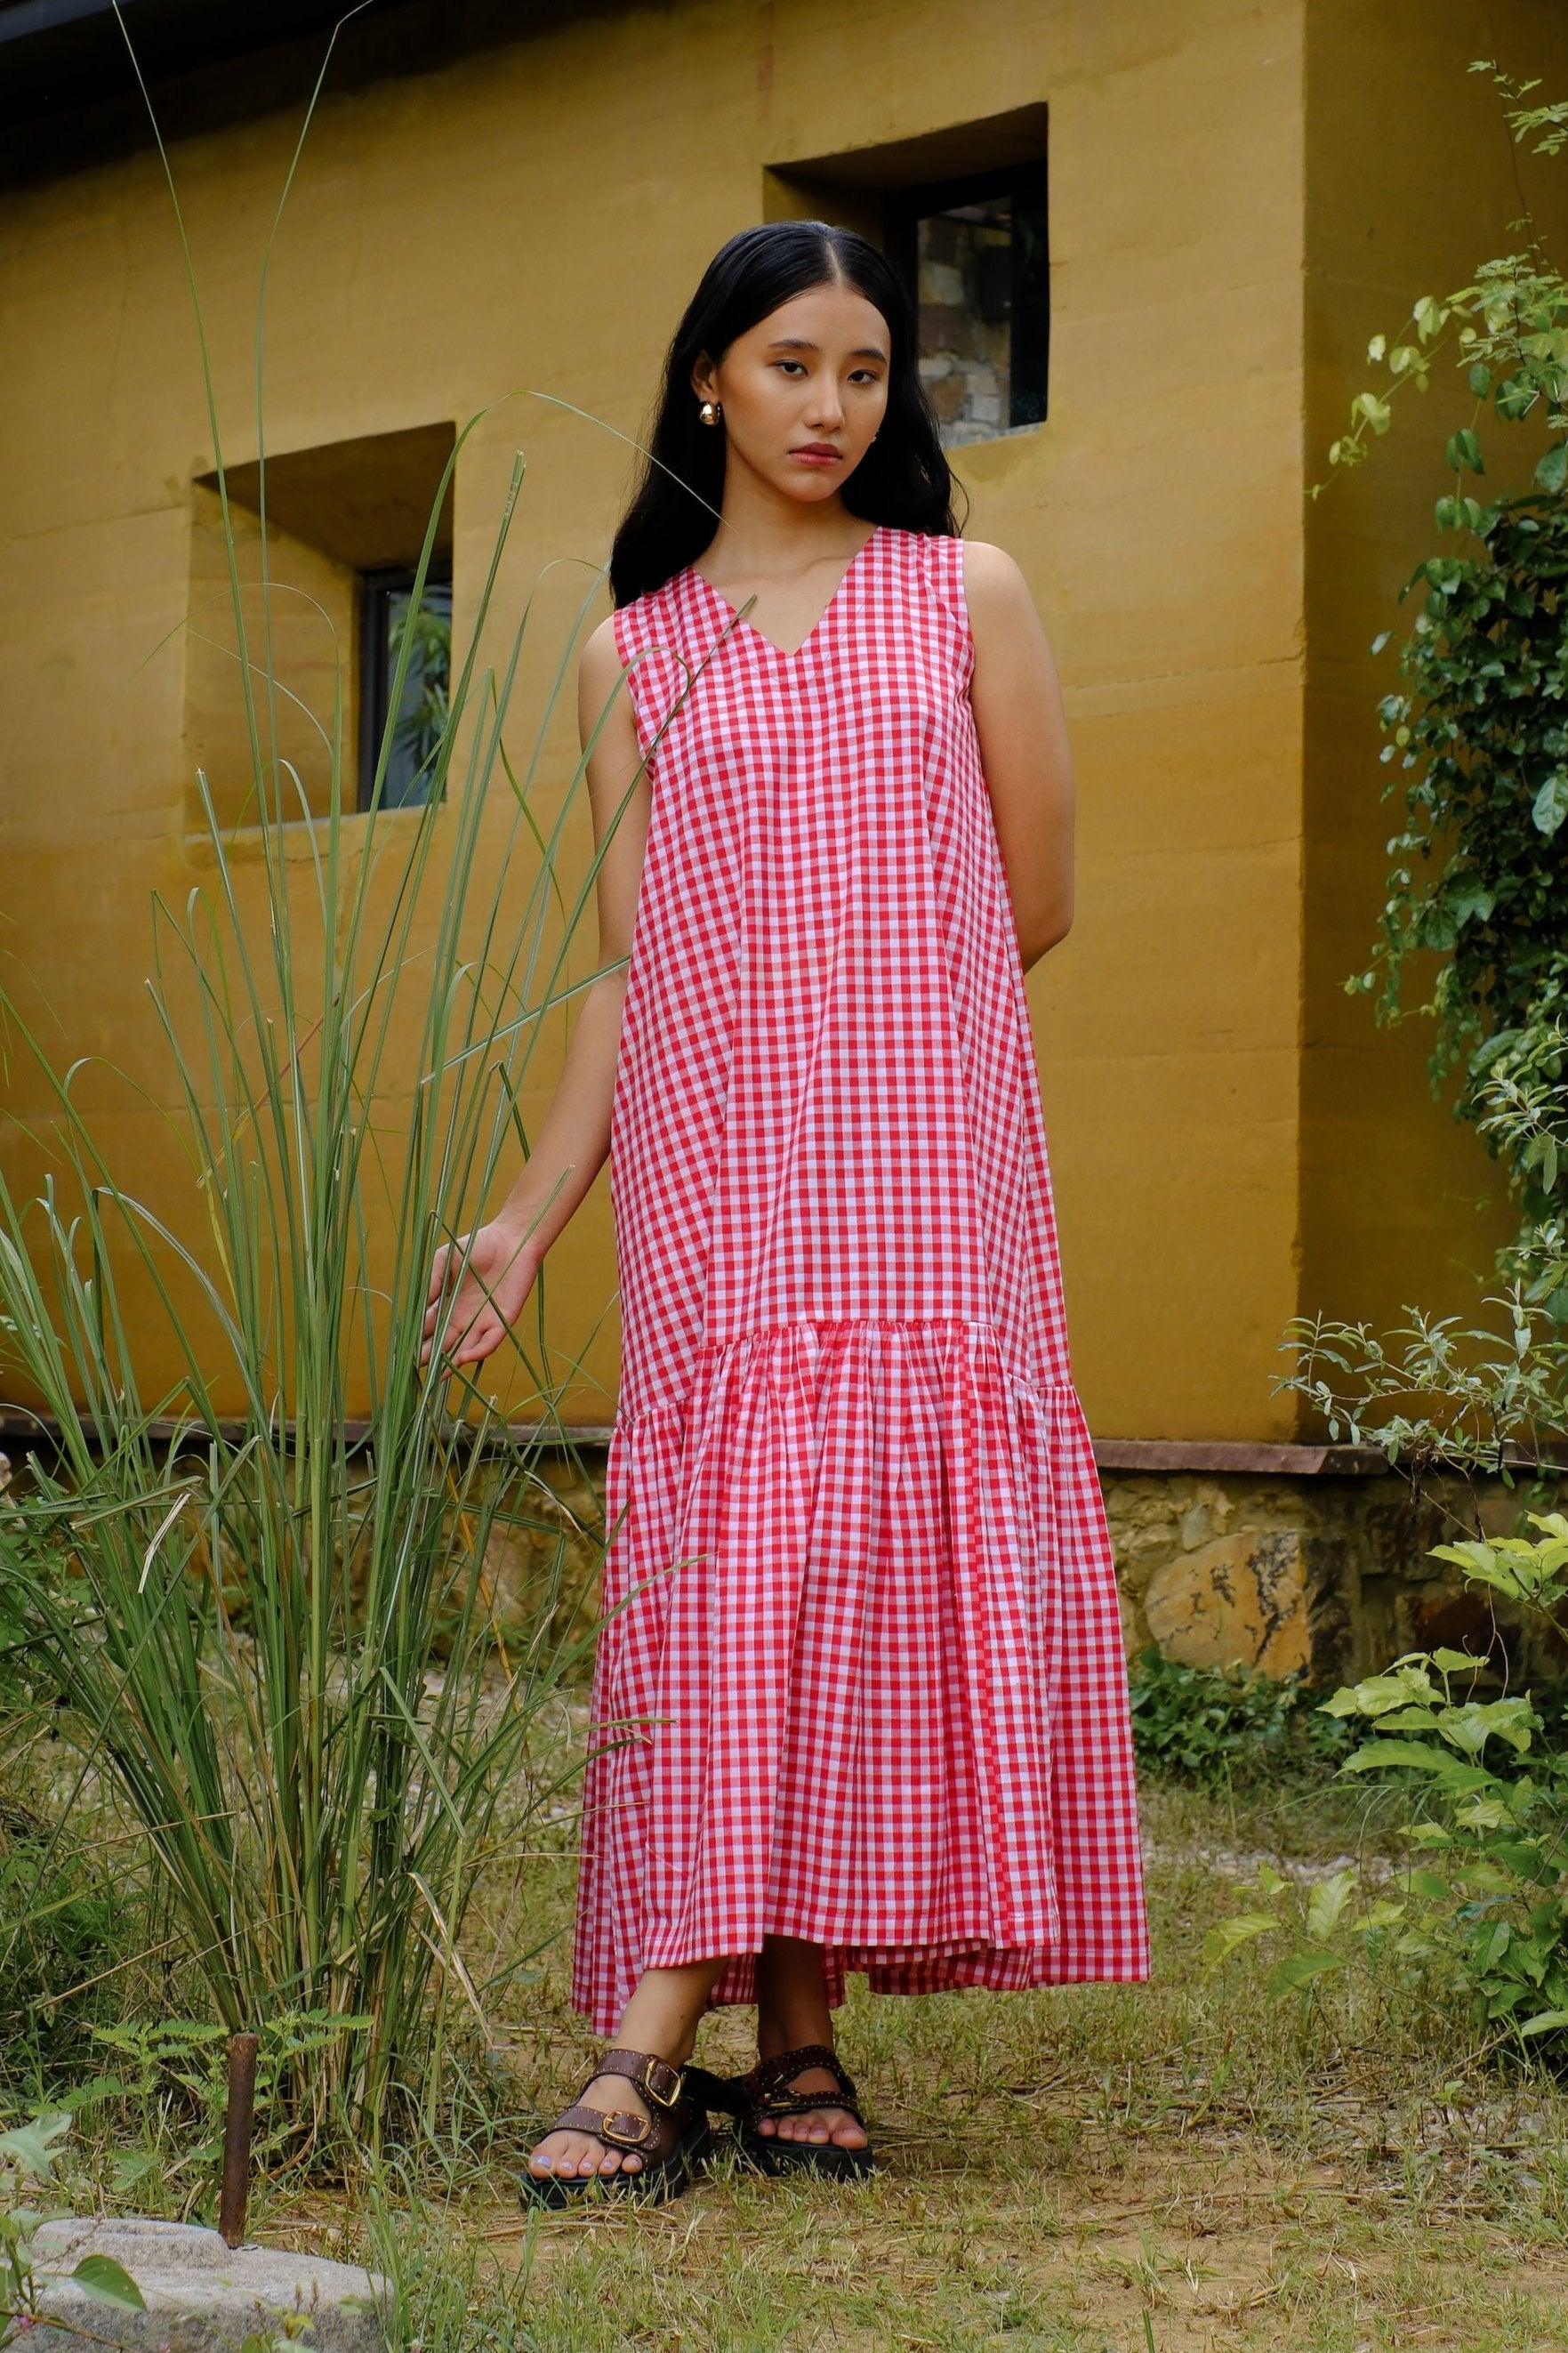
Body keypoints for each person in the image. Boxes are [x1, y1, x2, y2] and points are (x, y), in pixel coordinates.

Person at [423, 220, 1149, 2205]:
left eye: (865, 371)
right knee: (742, 1561)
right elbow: (626, 972)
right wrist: (527, 1213)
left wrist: (867, 1030)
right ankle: (791, 2040)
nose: (832, 407)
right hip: (718, 1165)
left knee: (849, 1546)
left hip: (922, 1151)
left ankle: (658, 2047)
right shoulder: (625, 651)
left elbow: (1042, 897)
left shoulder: (960, 592)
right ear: (707, 384)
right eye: (790, 366)